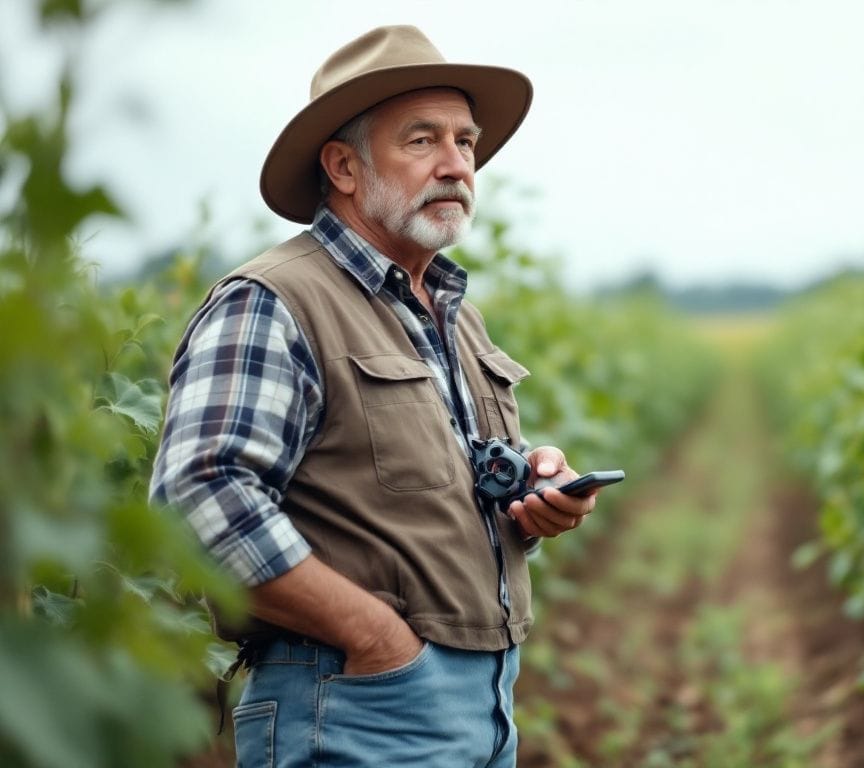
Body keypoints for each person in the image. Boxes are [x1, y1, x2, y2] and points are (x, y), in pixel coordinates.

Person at [150, 25, 596, 767]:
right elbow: (200, 496)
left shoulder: (450, 313)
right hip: (353, 702)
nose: (457, 165)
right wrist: (375, 638)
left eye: (466, 142)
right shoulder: (274, 300)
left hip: (482, 701)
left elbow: (408, 490)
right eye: (423, 141)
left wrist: (533, 490)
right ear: (344, 167)